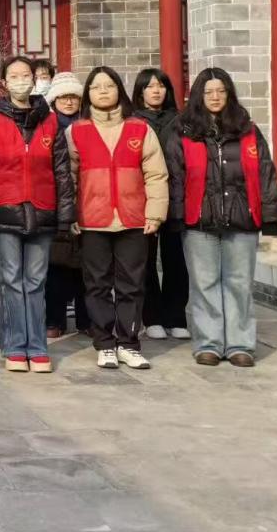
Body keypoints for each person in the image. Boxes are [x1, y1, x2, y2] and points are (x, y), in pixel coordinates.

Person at [165, 68, 277, 367]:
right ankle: (209, 343)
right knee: (204, 283)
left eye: (221, 91)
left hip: (242, 217)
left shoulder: (247, 129)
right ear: (198, 96)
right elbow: (175, 177)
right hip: (199, 218)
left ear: (229, 94)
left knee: (239, 283)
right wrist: (176, 215)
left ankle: (240, 345)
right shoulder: (183, 130)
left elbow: (265, 172)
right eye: (208, 92)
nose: (215, 97)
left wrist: (270, 215)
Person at [0, 56, 75, 373]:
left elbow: (62, 172)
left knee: (35, 282)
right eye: (14, 76)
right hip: (6, 210)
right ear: (4, 82)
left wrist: (65, 213)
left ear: (35, 79)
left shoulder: (51, 122)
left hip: (43, 210)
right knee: (11, 280)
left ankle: (37, 347)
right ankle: (16, 346)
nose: (21, 80)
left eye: (26, 75)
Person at [66, 66, 169, 370]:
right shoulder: (76, 131)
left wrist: (155, 214)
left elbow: (156, 175)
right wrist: (70, 213)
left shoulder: (140, 129)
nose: (103, 91)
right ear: (88, 94)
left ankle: (129, 343)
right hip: (91, 219)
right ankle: (104, 343)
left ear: (119, 91)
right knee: (96, 285)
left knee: (132, 285)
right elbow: (67, 177)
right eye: (96, 87)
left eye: (109, 86)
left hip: (133, 219)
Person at [132, 67, 191, 342]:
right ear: (140, 91)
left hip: (176, 198)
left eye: (161, 86)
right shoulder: (132, 122)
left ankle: (176, 317)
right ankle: (152, 317)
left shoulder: (182, 122)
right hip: (143, 199)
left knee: (175, 260)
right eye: (150, 86)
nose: (156, 91)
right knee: (144, 260)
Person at [44, 72, 90, 337]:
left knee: (87, 265)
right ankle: (55, 320)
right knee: (57, 263)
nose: (69, 102)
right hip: (55, 201)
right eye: (63, 97)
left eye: (73, 97)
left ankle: (87, 319)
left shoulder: (89, 124)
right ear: (54, 101)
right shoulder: (48, 126)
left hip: (87, 200)